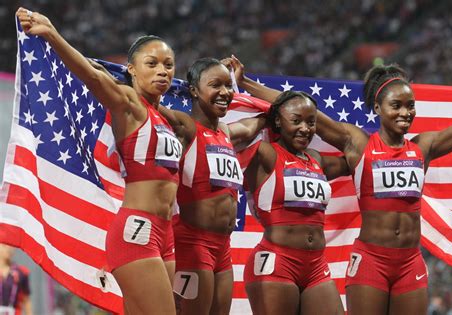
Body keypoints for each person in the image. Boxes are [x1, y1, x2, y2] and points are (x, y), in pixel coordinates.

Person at [227, 56, 452, 315]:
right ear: (377, 108)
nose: (405, 112)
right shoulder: (359, 145)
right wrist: (246, 83)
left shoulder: (423, 147)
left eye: (410, 106)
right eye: (396, 105)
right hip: (371, 261)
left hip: (410, 262)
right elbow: (294, 107)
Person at [17, 7, 180, 314]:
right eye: (152, 63)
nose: (163, 71)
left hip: (165, 234)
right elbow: (92, 77)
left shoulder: (167, 119)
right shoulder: (129, 103)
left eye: (169, 65)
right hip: (138, 230)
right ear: (131, 69)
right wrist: (51, 33)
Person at [157, 57, 266, 315]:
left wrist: (243, 84)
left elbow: (261, 121)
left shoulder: (226, 133)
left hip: (223, 249)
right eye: (215, 85)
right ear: (194, 90)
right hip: (192, 244)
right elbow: (144, 102)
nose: (225, 92)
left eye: (228, 86)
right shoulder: (186, 127)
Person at [240, 90, 348, 315]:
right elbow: (235, 135)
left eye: (311, 122)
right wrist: (265, 114)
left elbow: (354, 153)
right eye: (296, 120)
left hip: (316, 266)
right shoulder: (265, 154)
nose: (305, 129)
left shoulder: (316, 159)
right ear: (278, 120)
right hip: (277, 262)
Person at [0, 244, 32, 315]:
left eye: (11, 245)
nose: (9, 249)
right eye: (5, 245)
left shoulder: (21, 272)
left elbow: (26, 300)